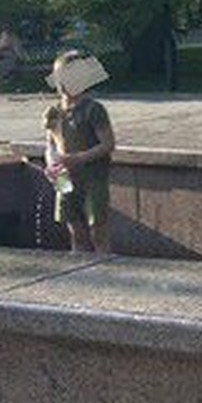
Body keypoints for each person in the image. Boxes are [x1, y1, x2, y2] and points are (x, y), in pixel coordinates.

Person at [42, 50, 116, 253]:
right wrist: (51, 164)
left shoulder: (93, 110)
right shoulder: (53, 112)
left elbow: (108, 144)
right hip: (65, 178)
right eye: (60, 78)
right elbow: (50, 145)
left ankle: (105, 267)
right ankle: (81, 275)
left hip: (92, 177)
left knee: (97, 229)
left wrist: (78, 158)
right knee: (75, 230)